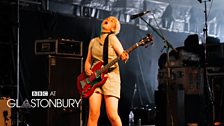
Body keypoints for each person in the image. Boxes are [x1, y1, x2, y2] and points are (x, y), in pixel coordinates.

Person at [84, 16, 129, 126]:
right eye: (108, 18)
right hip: (95, 78)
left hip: (111, 77)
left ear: (113, 29)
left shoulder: (113, 38)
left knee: (112, 114)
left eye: (112, 21)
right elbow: (88, 61)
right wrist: (87, 69)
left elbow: (122, 54)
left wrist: (124, 57)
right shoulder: (93, 41)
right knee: (93, 114)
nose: (108, 19)